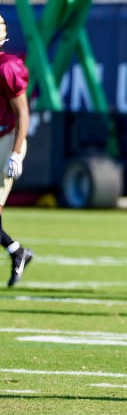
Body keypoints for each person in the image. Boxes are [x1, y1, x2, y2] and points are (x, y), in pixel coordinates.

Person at [0, 15, 33, 287]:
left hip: (6, 138)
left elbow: (22, 111)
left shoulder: (7, 67)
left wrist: (16, 151)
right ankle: (16, 250)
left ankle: (16, 251)